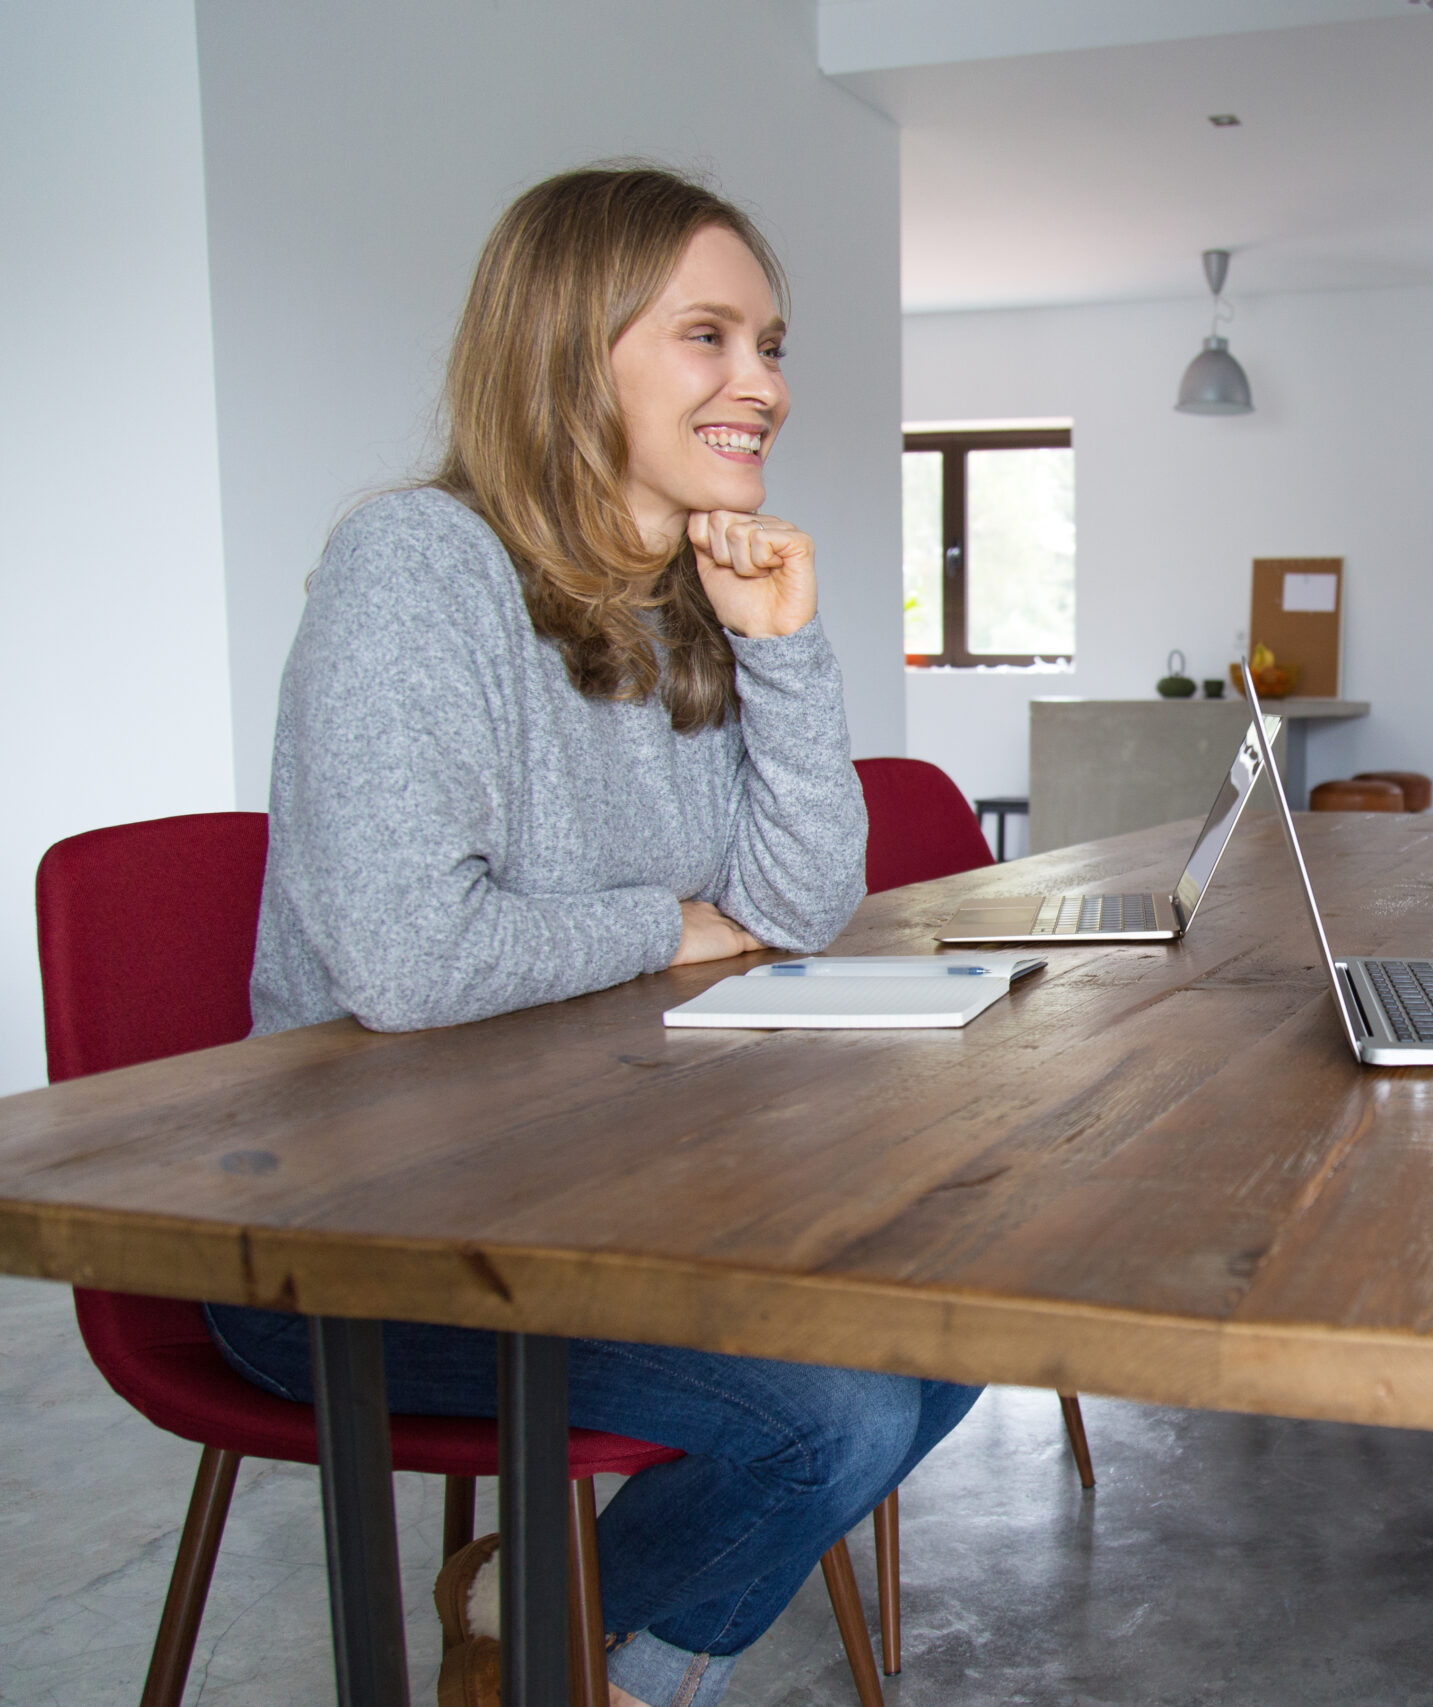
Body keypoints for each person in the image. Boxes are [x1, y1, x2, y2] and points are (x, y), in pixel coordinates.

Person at [205, 165, 978, 1707]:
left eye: (770, 343)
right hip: (357, 1237)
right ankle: (594, 1670)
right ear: (574, 349)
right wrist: (665, 927)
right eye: (710, 336)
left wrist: (786, 651)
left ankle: (549, 1639)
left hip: (597, 1190)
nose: (760, 382)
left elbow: (794, 904)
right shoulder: (414, 569)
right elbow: (408, 961)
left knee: (966, 1305)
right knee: (824, 1410)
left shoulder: (685, 593)